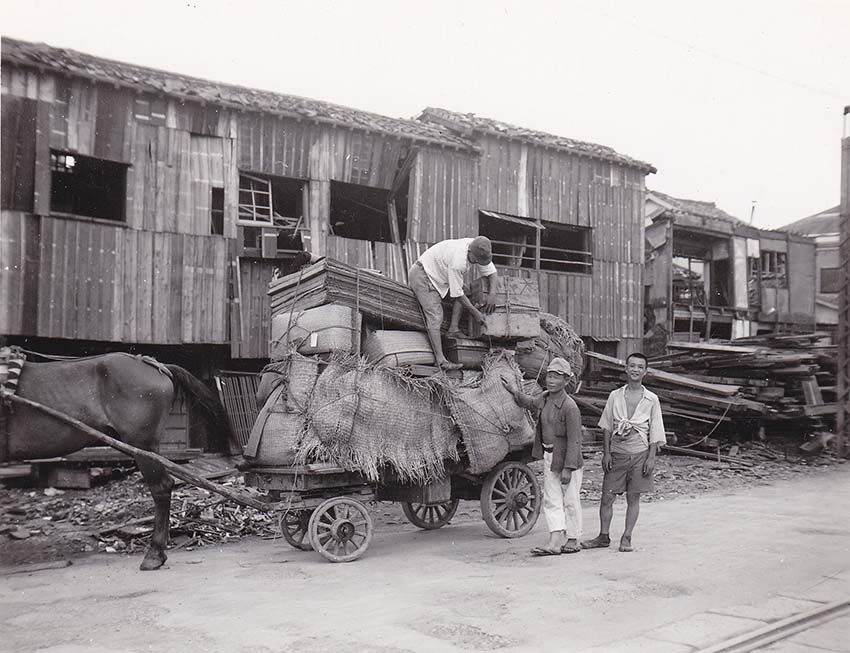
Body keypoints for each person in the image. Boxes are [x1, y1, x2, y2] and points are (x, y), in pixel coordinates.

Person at [582, 352, 666, 553]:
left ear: (645, 371)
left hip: (640, 455)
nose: (635, 370)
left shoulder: (651, 399)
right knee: (607, 497)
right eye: (632, 366)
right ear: (626, 369)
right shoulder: (615, 396)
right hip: (617, 454)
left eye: (640, 367)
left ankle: (627, 536)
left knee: (633, 497)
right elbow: (607, 426)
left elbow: (655, 430)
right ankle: (603, 536)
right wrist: (606, 453)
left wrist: (651, 458)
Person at [502, 357, 584, 556]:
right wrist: (514, 392)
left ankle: (573, 538)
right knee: (551, 499)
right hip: (549, 456)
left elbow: (575, 440)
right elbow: (530, 403)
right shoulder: (544, 399)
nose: (551, 380)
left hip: (567, 459)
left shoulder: (570, 407)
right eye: (550, 376)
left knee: (570, 500)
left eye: (557, 377)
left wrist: (568, 468)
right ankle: (555, 540)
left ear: (566, 380)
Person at [408, 236, 498, 370]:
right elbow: (457, 293)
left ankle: (453, 329)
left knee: (467, 291)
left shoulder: (478, 246)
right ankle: (440, 360)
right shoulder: (458, 260)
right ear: (470, 252)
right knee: (435, 316)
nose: (476, 263)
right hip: (423, 276)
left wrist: (492, 294)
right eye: (476, 260)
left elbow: (492, 273)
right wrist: (475, 313)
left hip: (440, 277)